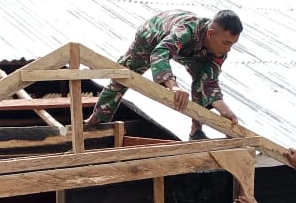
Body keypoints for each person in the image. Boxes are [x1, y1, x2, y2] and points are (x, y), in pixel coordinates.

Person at [85, 10, 242, 140]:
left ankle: (196, 130)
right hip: (152, 37)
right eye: (226, 43)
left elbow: (209, 83)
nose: (228, 49)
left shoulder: (219, 51)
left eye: (232, 44)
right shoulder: (187, 30)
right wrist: (173, 86)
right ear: (211, 33)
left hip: (191, 51)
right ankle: (95, 119)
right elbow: (160, 53)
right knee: (124, 75)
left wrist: (225, 111)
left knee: (202, 79)